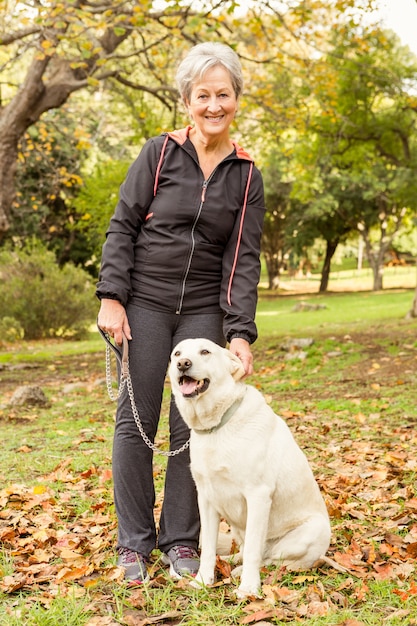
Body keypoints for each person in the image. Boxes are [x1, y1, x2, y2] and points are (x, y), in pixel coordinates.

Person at [96, 41, 265, 585]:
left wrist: (239, 333)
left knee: (194, 424)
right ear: (186, 101)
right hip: (144, 301)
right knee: (137, 419)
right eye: (202, 95)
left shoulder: (246, 174)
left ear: (236, 98)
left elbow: (243, 258)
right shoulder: (160, 153)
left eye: (223, 94)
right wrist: (111, 296)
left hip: (201, 313)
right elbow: (124, 224)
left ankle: (182, 541)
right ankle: (134, 546)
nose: (213, 104)